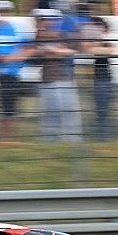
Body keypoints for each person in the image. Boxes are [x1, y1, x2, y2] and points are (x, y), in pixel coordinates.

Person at [30, 9, 82, 142]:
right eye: (41, 20)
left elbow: (72, 50)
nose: (44, 22)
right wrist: (57, 50)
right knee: (51, 111)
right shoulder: (40, 36)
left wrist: (56, 51)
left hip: (64, 77)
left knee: (69, 110)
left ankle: (72, 140)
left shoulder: (63, 34)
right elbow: (42, 51)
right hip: (48, 78)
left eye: (45, 19)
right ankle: (50, 140)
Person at [0, 0, 29, 143]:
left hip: (13, 71)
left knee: (9, 104)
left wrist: (13, 58)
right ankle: (6, 136)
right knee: (5, 103)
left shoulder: (17, 27)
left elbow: (27, 48)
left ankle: (8, 137)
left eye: (0, 12)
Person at [80, 17, 116, 140]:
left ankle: (104, 135)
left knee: (104, 109)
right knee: (98, 109)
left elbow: (110, 51)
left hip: (104, 78)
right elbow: (88, 49)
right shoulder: (88, 41)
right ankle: (100, 134)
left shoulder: (106, 41)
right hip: (93, 79)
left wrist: (96, 46)